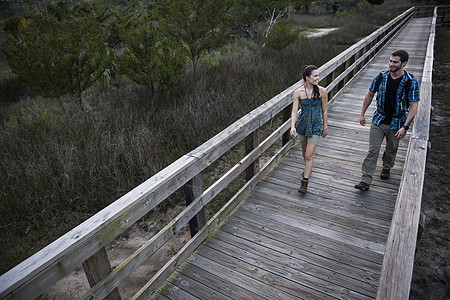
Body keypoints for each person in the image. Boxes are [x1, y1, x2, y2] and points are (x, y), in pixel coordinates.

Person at [354, 49, 420, 191]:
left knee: (391, 148)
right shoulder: (381, 76)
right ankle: (365, 180)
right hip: (379, 119)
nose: (391, 64)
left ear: (404, 63)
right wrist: (362, 114)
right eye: (390, 61)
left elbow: (414, 106)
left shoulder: (411, 82)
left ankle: (387, 167)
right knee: (373, 150)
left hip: (397, 122)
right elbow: (369, 95)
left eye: (395, 62)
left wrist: (405, 127)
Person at [290, 65, 328, 194]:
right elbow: (294, 111)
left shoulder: (322, 91)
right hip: (302, 125)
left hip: (316, 125)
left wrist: (325, 126)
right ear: (307, 78)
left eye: (318, 75)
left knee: (309, 155)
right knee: (304, 151)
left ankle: (305, 182)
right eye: (315, 76)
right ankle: (307, 167)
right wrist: (292, 126)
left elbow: (324, 110)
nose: (318, 78)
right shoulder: (298, 92)